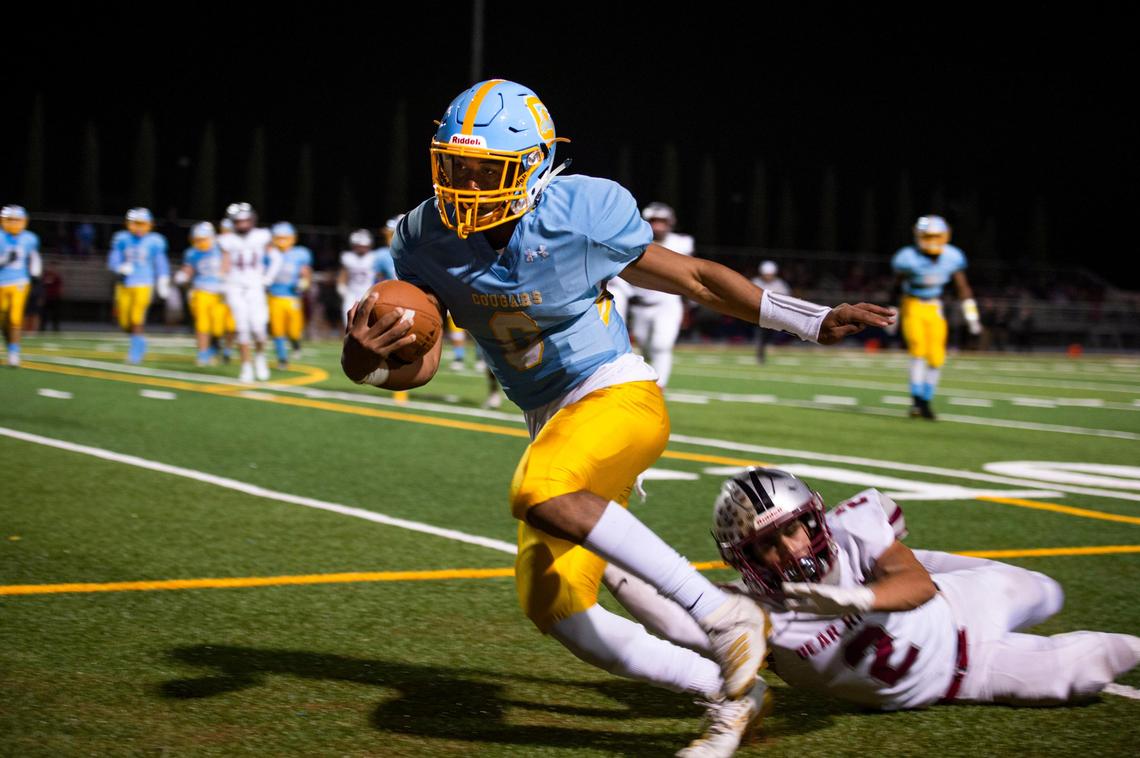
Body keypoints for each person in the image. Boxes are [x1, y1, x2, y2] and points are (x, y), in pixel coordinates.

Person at [340, 79, 893, 758]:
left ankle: (723, 616)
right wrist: (360, 360)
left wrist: (807, 319)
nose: (468, 185)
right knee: (557, 610)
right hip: (551, 423)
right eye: (457, 166)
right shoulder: (423, 239)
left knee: (536, 492)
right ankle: (729, 693)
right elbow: (417, 368)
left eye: (488, 170)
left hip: (613, 393)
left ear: (536, 166)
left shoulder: (581, 211)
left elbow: (692, 277)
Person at [603, 468, 1140, 723]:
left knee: (1050, 591)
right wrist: (598, 550)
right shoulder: (757, 609)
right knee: (1092, 666)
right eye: (766, 544)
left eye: (793, 529)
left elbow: (916, 588)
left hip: (960, 603)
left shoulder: (851, 528)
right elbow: (673, 621)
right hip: (968, 672)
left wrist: (858, 599)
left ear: (814, 517)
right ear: (744, 558)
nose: (788, 549)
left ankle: (911, 551)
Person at [891, 215, 981, 420]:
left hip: (935, 306)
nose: (931, 240)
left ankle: (925, 399)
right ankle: (917, 401)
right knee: (918, 349)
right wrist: (892, 313)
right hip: (912, 304)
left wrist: (972, 318)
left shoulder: (953, 256)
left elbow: (963, 289)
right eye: (928, 235)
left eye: (936, 235)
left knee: (937, 357)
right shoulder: (907, 257)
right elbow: (895, 288)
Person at [622, 202, 694, 387]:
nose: (658, 226)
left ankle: (658, 389)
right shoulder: (634, 241)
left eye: (662, 221)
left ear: (670, 223)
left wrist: (688, 305)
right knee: (645, 348)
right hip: (640, 305)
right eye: (654, 221)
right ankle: (649, 381)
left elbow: (689, 274)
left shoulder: (681, 243)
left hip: (667, 303)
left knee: (661, 346)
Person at [217, 202, 276, 382]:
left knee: (259, 329)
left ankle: (259, 356)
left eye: (245, 221)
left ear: (252, 220)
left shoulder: (262, 236)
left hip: (255, 285)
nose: (242, 225)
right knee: (242, 328)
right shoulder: (226, 239)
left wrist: (269, 276)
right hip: (234, 286)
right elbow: (225, 264)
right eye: (238, 221)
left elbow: (275, 257)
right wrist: (221, 282)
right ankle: (246, 365)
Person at [107, 208, 170, 364]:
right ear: (129, 224)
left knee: (137, 316)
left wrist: (163, 278)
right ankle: (140, 340)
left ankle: (135, 352)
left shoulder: (155, 240)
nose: (139, 228)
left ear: (149, 224)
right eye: (136, 224)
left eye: (143, 224)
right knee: (124, 323)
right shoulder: (121, 238)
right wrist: (119, 267)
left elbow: (161, 261)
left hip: (144, 282)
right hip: (125, 284)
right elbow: (113, 258)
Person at [178, 222, 229, 366]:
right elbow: (189, 268)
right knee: (202, 323)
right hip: (201, 290)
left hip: (220, 292)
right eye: (198, 240)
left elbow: (228, 264)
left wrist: (226, 279)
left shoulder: (221, 248)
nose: (200, 243)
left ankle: (214, 347)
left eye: (203, 239)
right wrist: (184, 275)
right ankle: (202, 353)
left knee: (218, 326)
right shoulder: (192, 253)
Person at [266, 222, 313, 369]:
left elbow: (306, 272)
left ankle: (296, 345)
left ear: (292, 238)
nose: (281, 241)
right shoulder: (268, 254)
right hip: (274, 296)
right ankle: (282, 359)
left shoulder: (300, 253)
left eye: (284, 237)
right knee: (277, 329)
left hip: (293, 297)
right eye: (278, 238)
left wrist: (304, 283)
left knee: (294, 330)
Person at [1, 205, 42, 367]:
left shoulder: (30, 238)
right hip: (1, 281)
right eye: (10, 219)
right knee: (3, 317)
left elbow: (34, 257)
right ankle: (10, 344)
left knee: (15, 317)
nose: (14, 223)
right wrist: (4, 260)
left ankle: (14, 352)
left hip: (20, 281)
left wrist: (36, 274)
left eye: (17, 219)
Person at [337, 229, 389, 325]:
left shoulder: (374, 257)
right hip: (351, 293)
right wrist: (341, 288)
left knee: (369, 321)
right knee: (349, 320)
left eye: (363, 246)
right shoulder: (348, 257)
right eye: (359, 246)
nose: (361, 248)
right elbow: (343, 274)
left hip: (369, 292)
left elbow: (380, 275)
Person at [751, 261, 790, 363]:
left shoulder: (779, 284)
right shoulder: (756, 282)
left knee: (773, 336)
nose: (768, 276)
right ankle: (760, 355)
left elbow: (786, 299)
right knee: (760, 336)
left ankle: (772, 349)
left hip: (775, 316)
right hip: (759, 315)